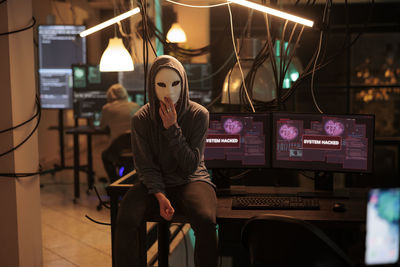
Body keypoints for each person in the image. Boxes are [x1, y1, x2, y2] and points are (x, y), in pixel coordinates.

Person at [115, 55, 218, 267]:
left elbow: (190, 165)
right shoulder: (141, 119)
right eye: (161, 84)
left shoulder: (199, 115)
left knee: (206, 220)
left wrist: (172, 128)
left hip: (191, 178)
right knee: (125, 218)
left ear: (184, 83)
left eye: (175, 83)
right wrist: (160, 195)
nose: (169, 91)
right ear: (152, 86)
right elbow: (145, 165)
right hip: (155, 180)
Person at [100, 83, 140, 183]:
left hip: (118, 148)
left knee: (105, 156)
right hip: (136, 146)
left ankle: (114, 182)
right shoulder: (135, 106)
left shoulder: (107, 108)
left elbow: (102, 126)